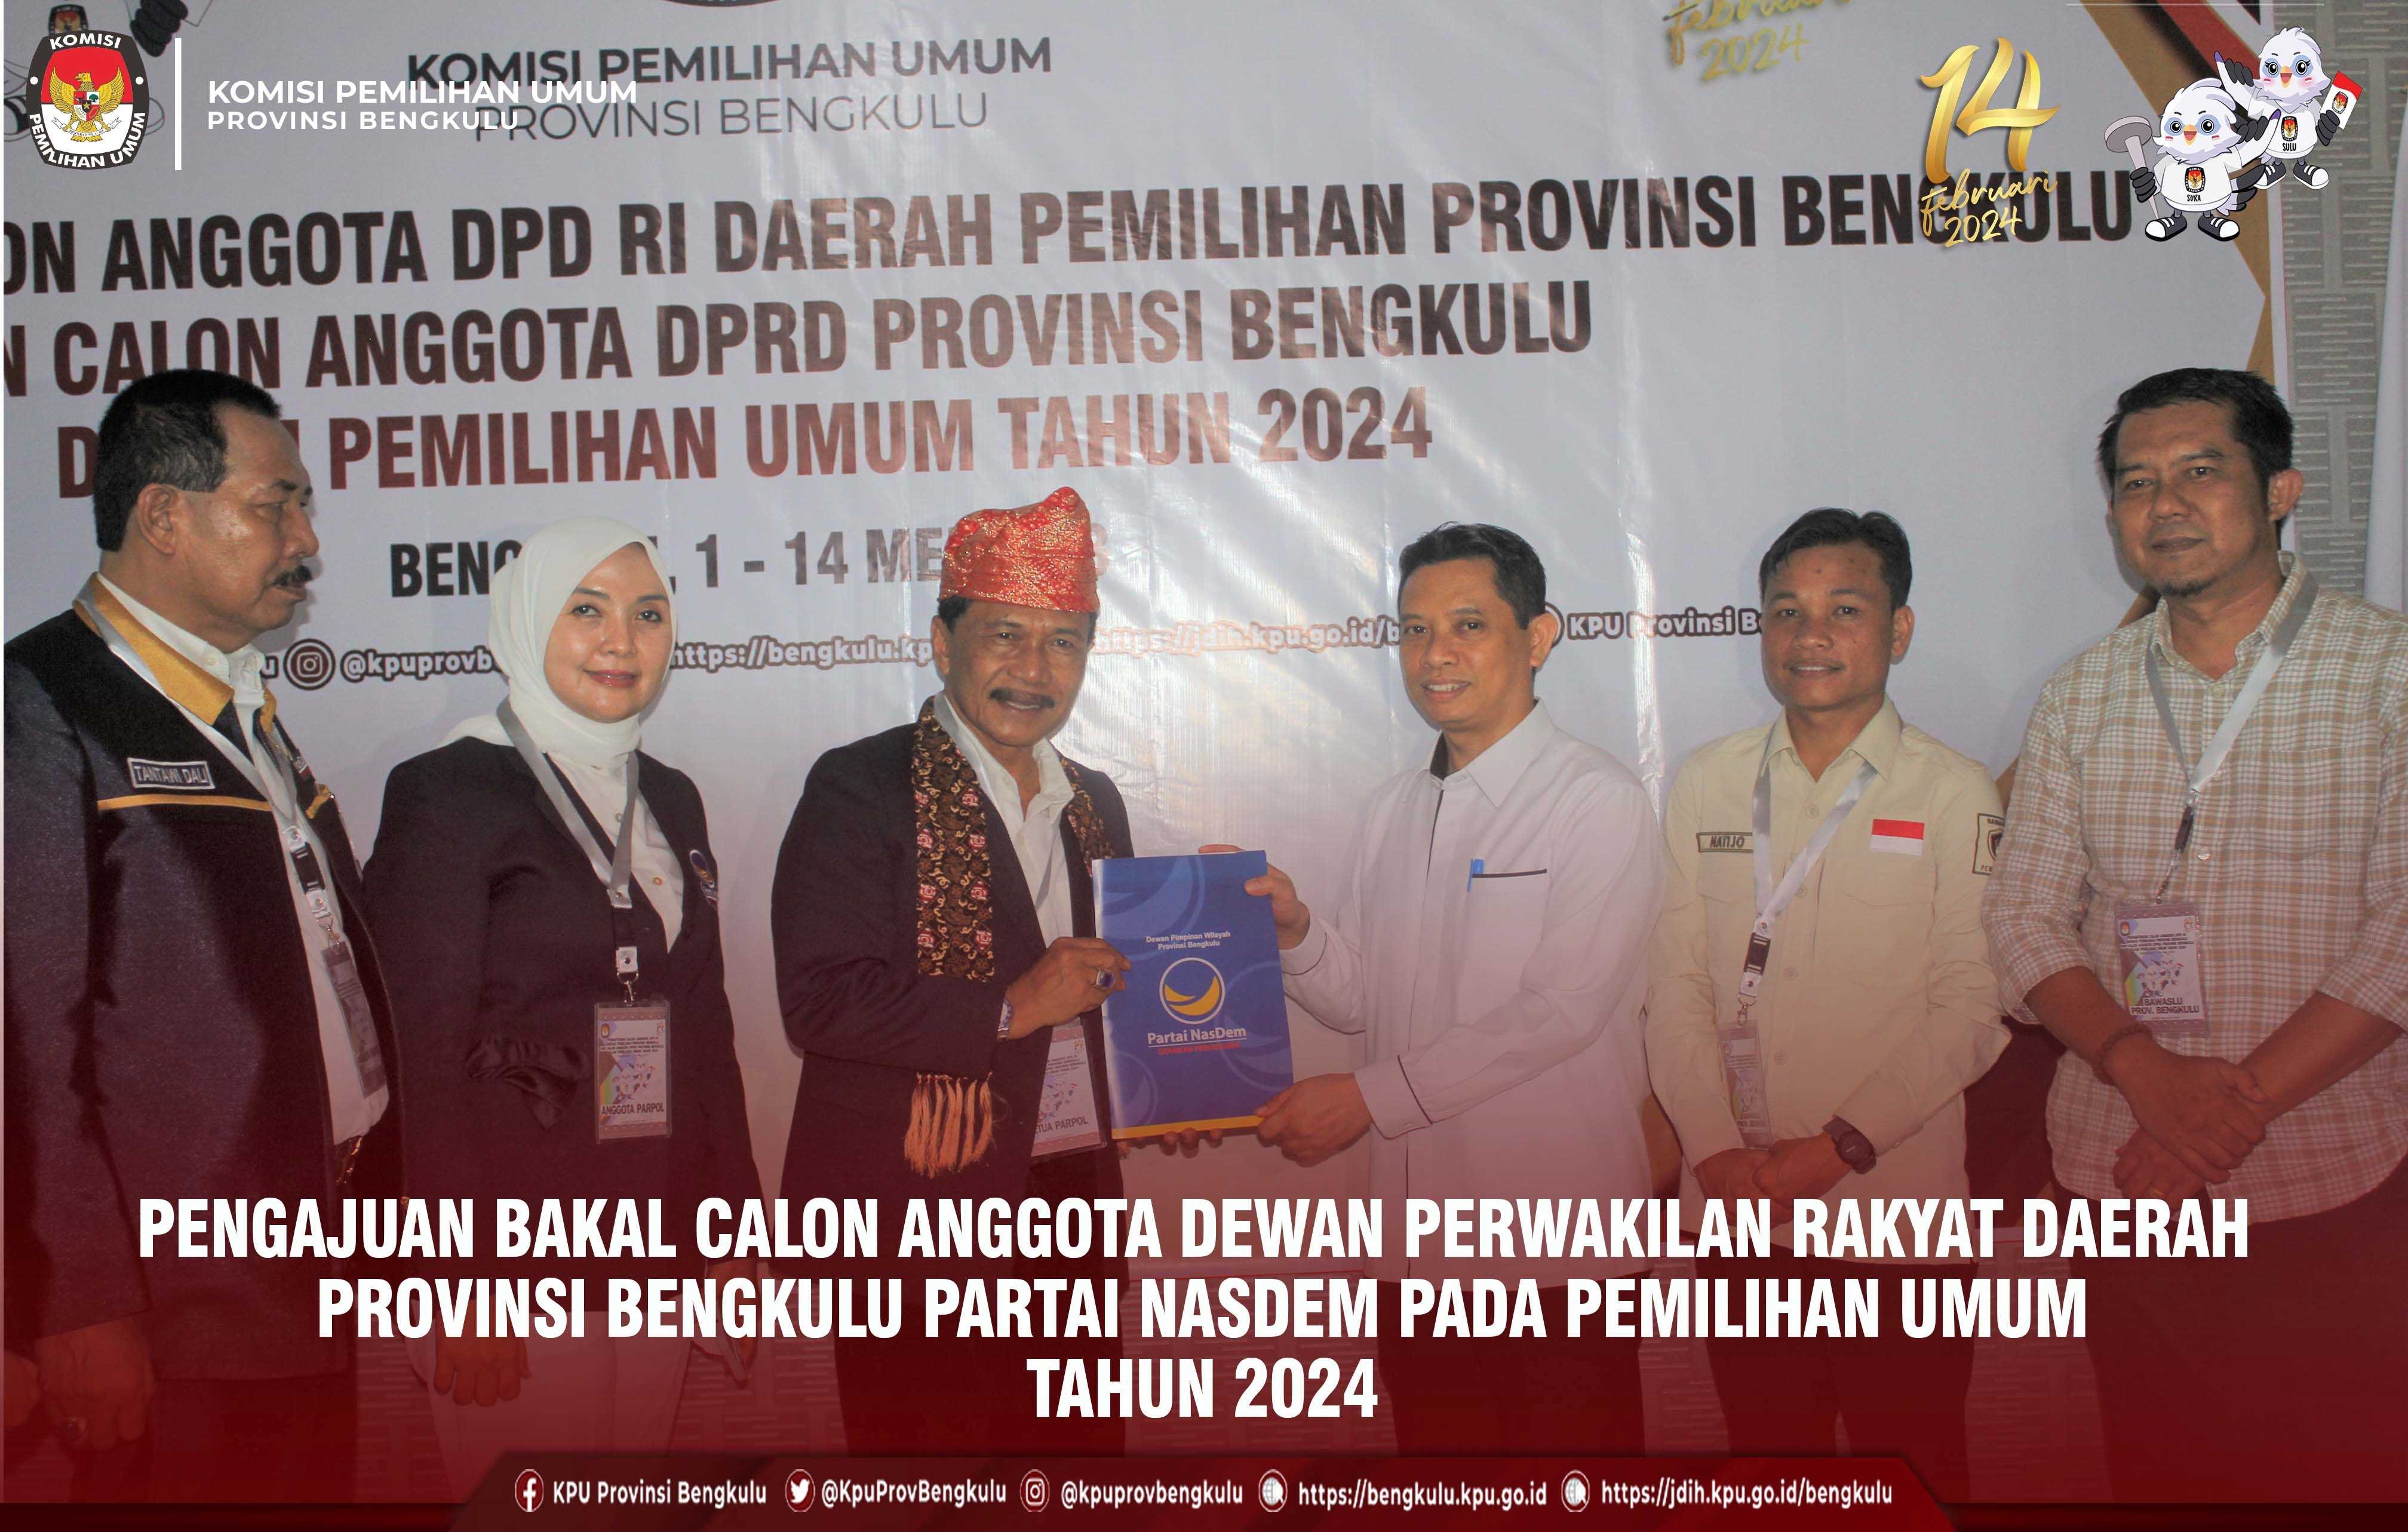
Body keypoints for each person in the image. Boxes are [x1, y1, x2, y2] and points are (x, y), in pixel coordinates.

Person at [1985, 367, 2407, 1500]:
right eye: (2136, 483)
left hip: (2325, 1176)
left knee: (2334, 1484)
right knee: (2158, 1476)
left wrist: (2225, 1110)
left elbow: (2404, 935)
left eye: (2200, 472)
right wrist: (2147, 1075)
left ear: (2281, 491)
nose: (2164, 504)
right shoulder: (2080, 695)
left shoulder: (2390, 672)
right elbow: (2022, 917)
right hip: (2124, 1175)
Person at [4, 368, 400, 1501]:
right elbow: (23, 1037)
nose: (306, 540)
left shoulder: (240, 705)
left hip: (304, 1281)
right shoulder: (42, 702)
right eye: (275, 505)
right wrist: (76, 1303)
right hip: (171, 1315)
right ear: (163, 516)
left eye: (304, 506)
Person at [1242, 522, 1664, 1454]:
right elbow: (1363, 1001)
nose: (1435, 654)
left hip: (1551, 1250)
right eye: (1415, 629)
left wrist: (1365, 1099)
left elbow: (1559, 1011)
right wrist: (1297, 934)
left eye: (1468, 624)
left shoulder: (1596, 800)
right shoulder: (1392, 807)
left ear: (1538, 636)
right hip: (1415, 1252)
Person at [361, 518, 759, 1497]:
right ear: (526, 619)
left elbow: (704, 1028)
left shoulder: (670, 795)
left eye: (649, 614)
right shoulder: (448, 791)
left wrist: (734, 1238)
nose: (622, 640)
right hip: (513, 1255)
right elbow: (418, 1053)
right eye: (588, 610)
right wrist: (460, 1280)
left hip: (654, 1238)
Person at [1648, 509, 2007, 1499]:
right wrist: (1713, 1150)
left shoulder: (1954, 790)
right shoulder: (1708, 780)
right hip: (1738, 1212)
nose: (1810, 635)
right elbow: (1674, 983)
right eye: (1786, 611)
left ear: (1899, 629)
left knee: (1916, 1473)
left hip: (1893, 1216)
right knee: (1770, 1474)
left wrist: (1839, 1147)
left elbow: (1974, 1004)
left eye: (1845, 609)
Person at [772, 486, 1132, 1456]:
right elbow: (819, 1000)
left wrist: (1171, 1072)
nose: (1034, 668)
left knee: (1076, 1475)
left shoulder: (1095, 801)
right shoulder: (860, 785)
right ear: (943, 643)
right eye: (1005, 635)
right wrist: (1010, 1008)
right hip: (916, 1220)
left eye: (1063, 642)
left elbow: (1110, 991)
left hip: (1072, 1201)